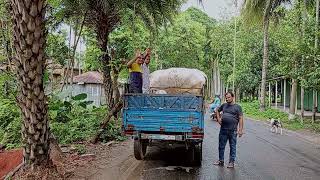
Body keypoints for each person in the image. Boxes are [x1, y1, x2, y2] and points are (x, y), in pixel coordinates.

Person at [214, 91, 244, 168]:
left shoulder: (238, 107)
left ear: (233, 97)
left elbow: (240, 118)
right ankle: (221, 160)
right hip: (223, 129)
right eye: (226, 98)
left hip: (233, 131)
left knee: (232, 146)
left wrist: (240, 130)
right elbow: (217, 110)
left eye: (229, 97)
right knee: (221, 146)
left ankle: (231, 162)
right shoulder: (224, 105)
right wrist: (218, 118)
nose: (227, 99)